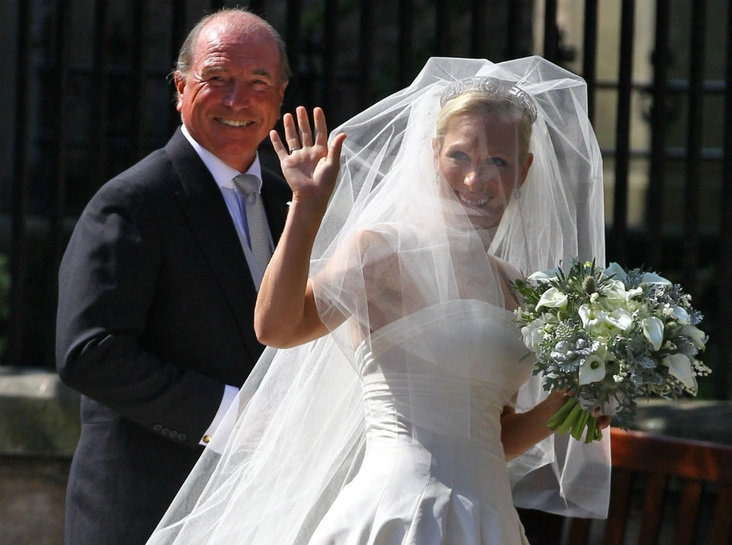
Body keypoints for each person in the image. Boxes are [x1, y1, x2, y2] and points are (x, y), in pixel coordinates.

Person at [146, 56, 611, 545]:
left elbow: (489, 437)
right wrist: (306, 207)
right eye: (460, 156)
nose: (476, 179)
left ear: (524, 171)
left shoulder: (518, 288)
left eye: (499, 161)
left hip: (488, 523)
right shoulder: (382, 251)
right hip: (401, 513)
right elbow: (276, 329)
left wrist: (563, 407)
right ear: (434, 155)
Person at [55, 8, 292, 545]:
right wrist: (234, 417)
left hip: (267, 509)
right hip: (149, 510)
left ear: (279, 97)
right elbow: (90, 352)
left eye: (258, 83)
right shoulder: (134, 201)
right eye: (218, 78)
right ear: (181, 87)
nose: (238, 100)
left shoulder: (293, 200)